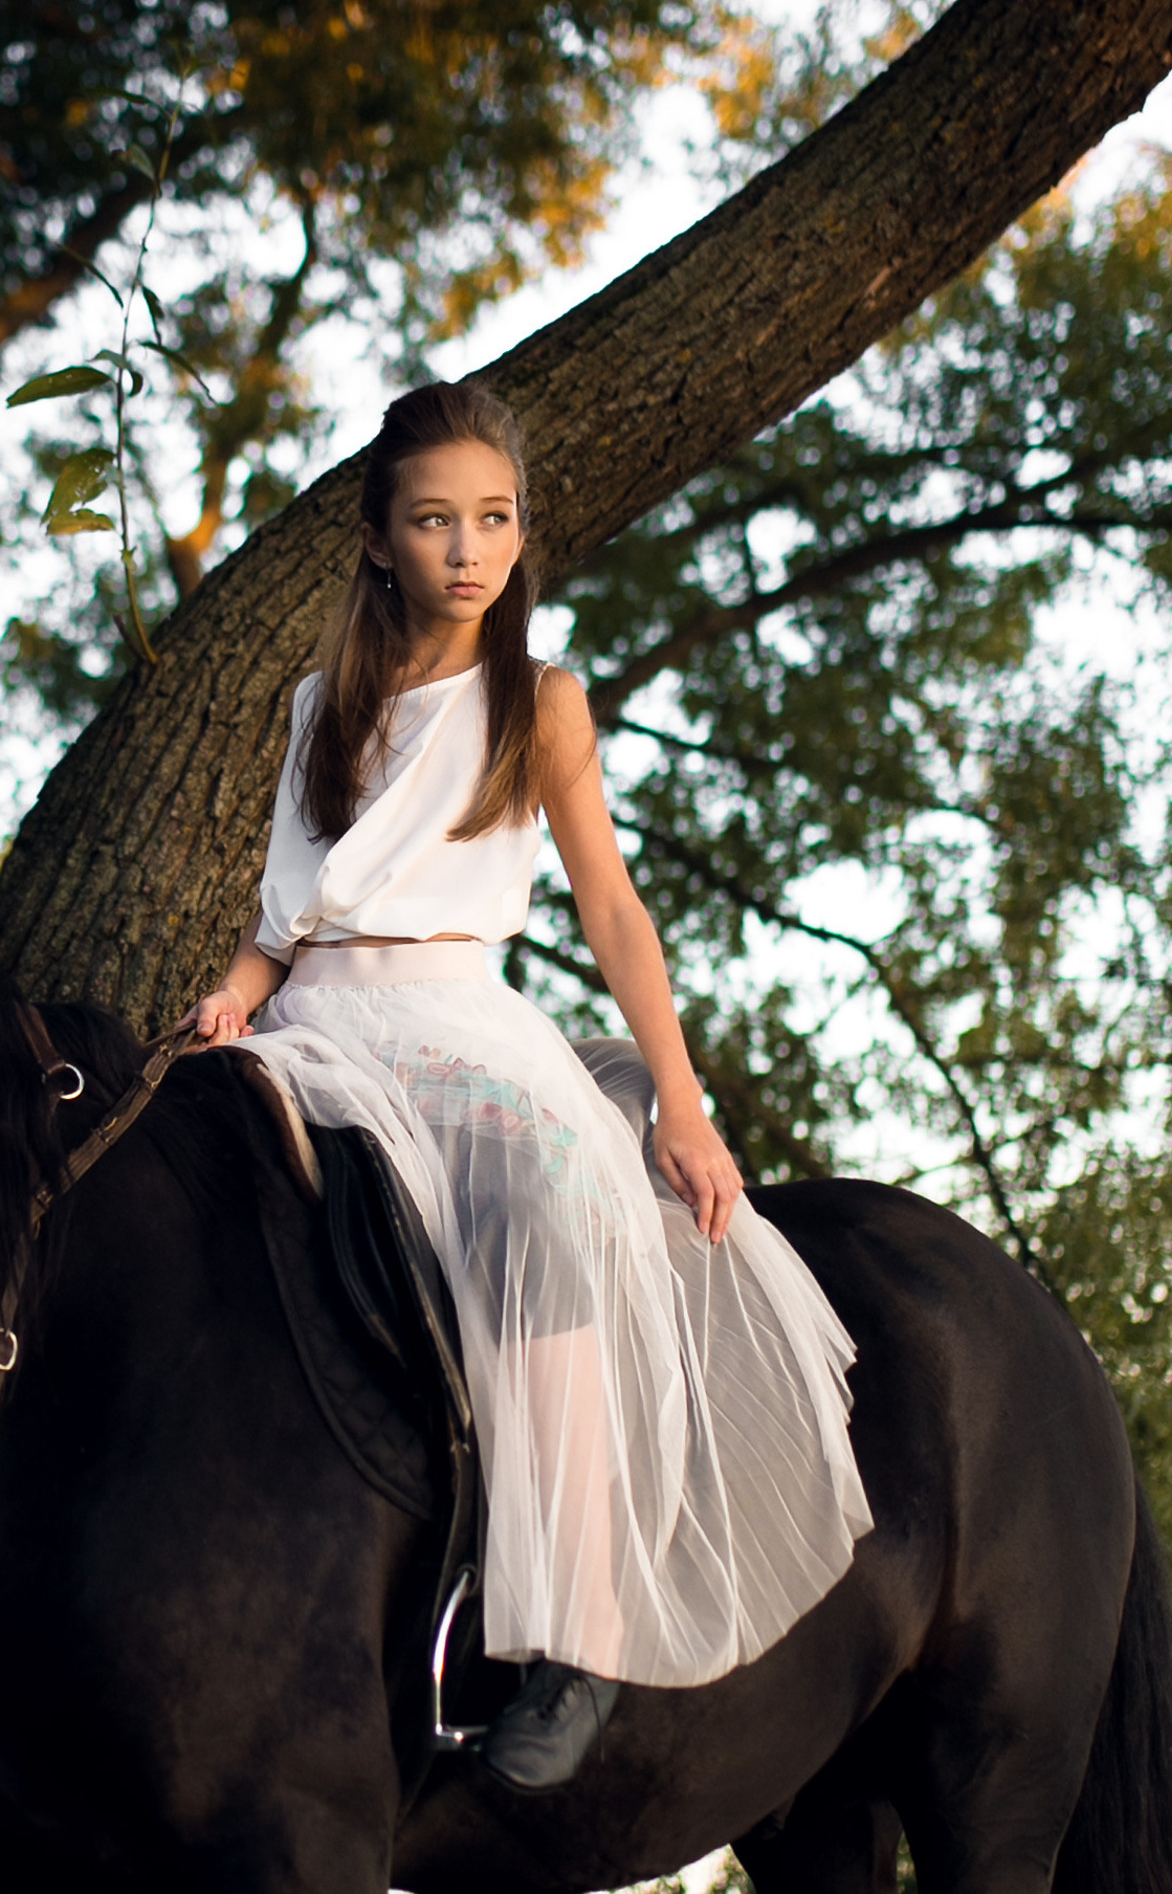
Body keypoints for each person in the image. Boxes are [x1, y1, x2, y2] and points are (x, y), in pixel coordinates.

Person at [187, 382, 869, 1790]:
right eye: (435, 521)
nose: (468, 550)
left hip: (457, 1025)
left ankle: (581, 1629)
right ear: (378, 539)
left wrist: (682, 1101)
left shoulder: (538, 703)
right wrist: (234, 997)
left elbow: (611, 907)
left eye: (493, 519)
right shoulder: (323, 705)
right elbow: (287, 914)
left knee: (555, 1206)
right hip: (317, 1020)